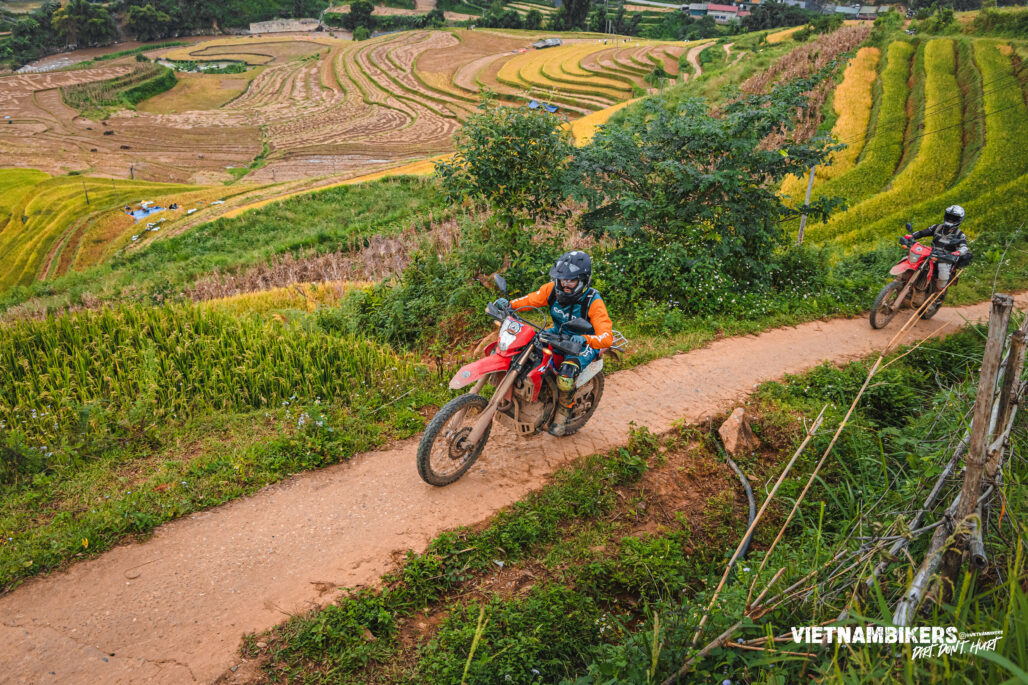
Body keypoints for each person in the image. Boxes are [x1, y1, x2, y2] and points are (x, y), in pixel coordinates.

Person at [493, 251, 613, 436]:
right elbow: (530, 300)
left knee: (566, 376)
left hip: (582, 343)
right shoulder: (552, 290)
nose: (564, 284)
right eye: (562, 279)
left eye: (571, 281)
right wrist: (509, 305)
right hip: (558, 333)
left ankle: (563, 413)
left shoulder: (593, 301)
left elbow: (606, 337)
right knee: (525, 347)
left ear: (583, 281)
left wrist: (585, 338)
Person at [901, 205, 971, 294]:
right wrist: (912, 236)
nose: (950, 219)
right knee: (906, 259)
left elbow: (964, 247)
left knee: (942, 271)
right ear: (945, 216)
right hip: (931, 253)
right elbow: (922, 232)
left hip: (945, 258)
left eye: (954, 218)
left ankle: (938, 292)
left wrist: (957, 252)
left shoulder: (960, 234)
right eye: (949, 216)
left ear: (959, 220)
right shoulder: (937, 227)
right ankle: (899, 282)